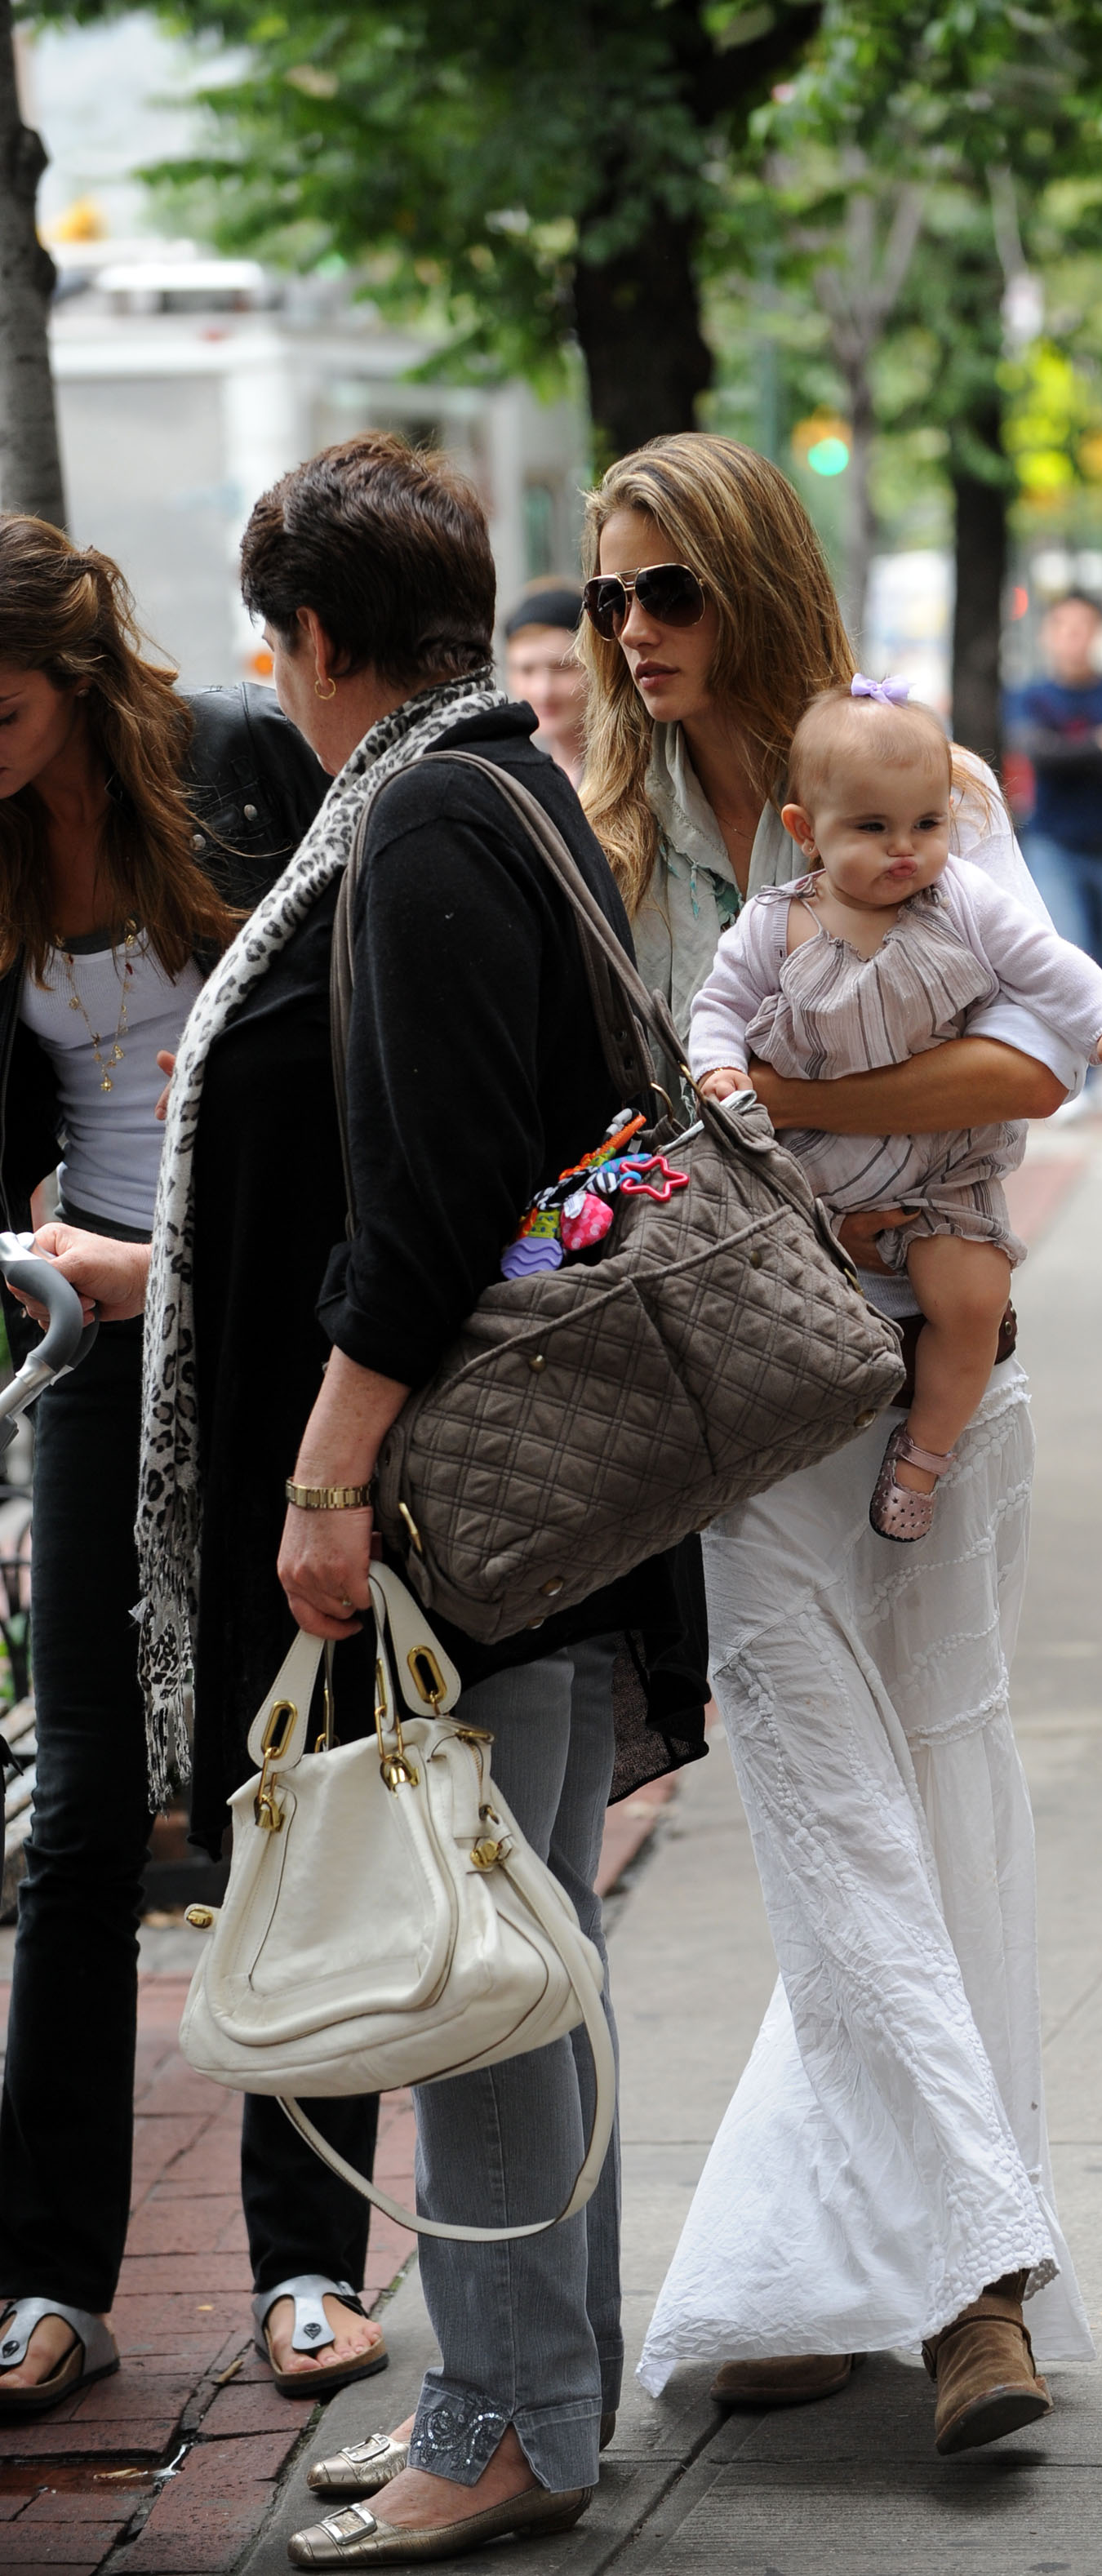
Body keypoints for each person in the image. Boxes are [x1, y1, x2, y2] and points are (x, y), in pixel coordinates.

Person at [29, 435, 709, 2562]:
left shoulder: (413, 816)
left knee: (476, 1966)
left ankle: (499, 2415)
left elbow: (429, 1201)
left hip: (452, 1503)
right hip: (553, 1491)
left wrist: (326, 1475)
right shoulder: (502, 778)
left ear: (309, 637)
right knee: (531, 1950)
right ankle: (538, 2400)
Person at [576, 430, 1102, 2454]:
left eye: (670, 592)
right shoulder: (606, 833)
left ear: (753, 580)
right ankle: (978, 2280)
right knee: (827, 1812)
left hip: (942, 1374)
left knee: (942, 1800)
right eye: (610, 594)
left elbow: (1039, 1054)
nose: (633, 633)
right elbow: (614, 1145)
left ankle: (821, 2253)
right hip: (745, 1402)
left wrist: (784, 1120)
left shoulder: (929, 787)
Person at [0, 517, 408, 2414]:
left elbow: (352, 1062)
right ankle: (48, 2275)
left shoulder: (241, 766)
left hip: (263, 1336)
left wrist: (195, 1270)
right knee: (82, 1811)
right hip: (88, 1340)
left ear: (73, 675)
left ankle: (309, 2261)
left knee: (289, 1785)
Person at [690, 677, 1102, 1538]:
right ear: (806, 833)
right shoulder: (772, 925)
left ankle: (925, 1453)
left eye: (928, 825)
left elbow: (1051, 967)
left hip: (946, 1169)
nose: (905, 849)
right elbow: (716, 1008)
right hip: (815, 1178)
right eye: (872, 830)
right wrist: (720, 1068)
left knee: (973, 1300)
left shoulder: (964, 904)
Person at [1012, 591, 1102, 992]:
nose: (1075, 638)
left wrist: (1069, 751)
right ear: (1047, 635)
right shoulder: (1030, 697)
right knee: (1074, 961)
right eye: (1065, 628)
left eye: (1084, 628)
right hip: (1055, 846)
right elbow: (1040, 756)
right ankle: (1086, 1058)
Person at [502, 580, 587, 785]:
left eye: (562, 667)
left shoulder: (640, 770)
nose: (543, 690)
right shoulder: (518, 777)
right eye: (527, 670)